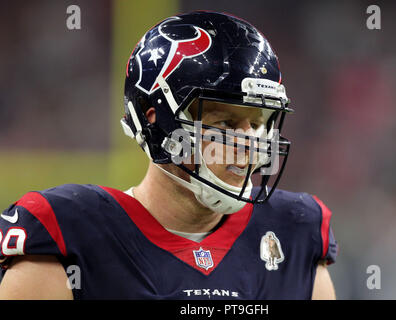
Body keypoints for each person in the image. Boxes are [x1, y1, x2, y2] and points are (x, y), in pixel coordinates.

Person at [0, 11, 338, 300]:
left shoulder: (296, 234)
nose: (248, 142)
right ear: (156, 121)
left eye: (257, 123)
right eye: (226, 121)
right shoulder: (68, 233)